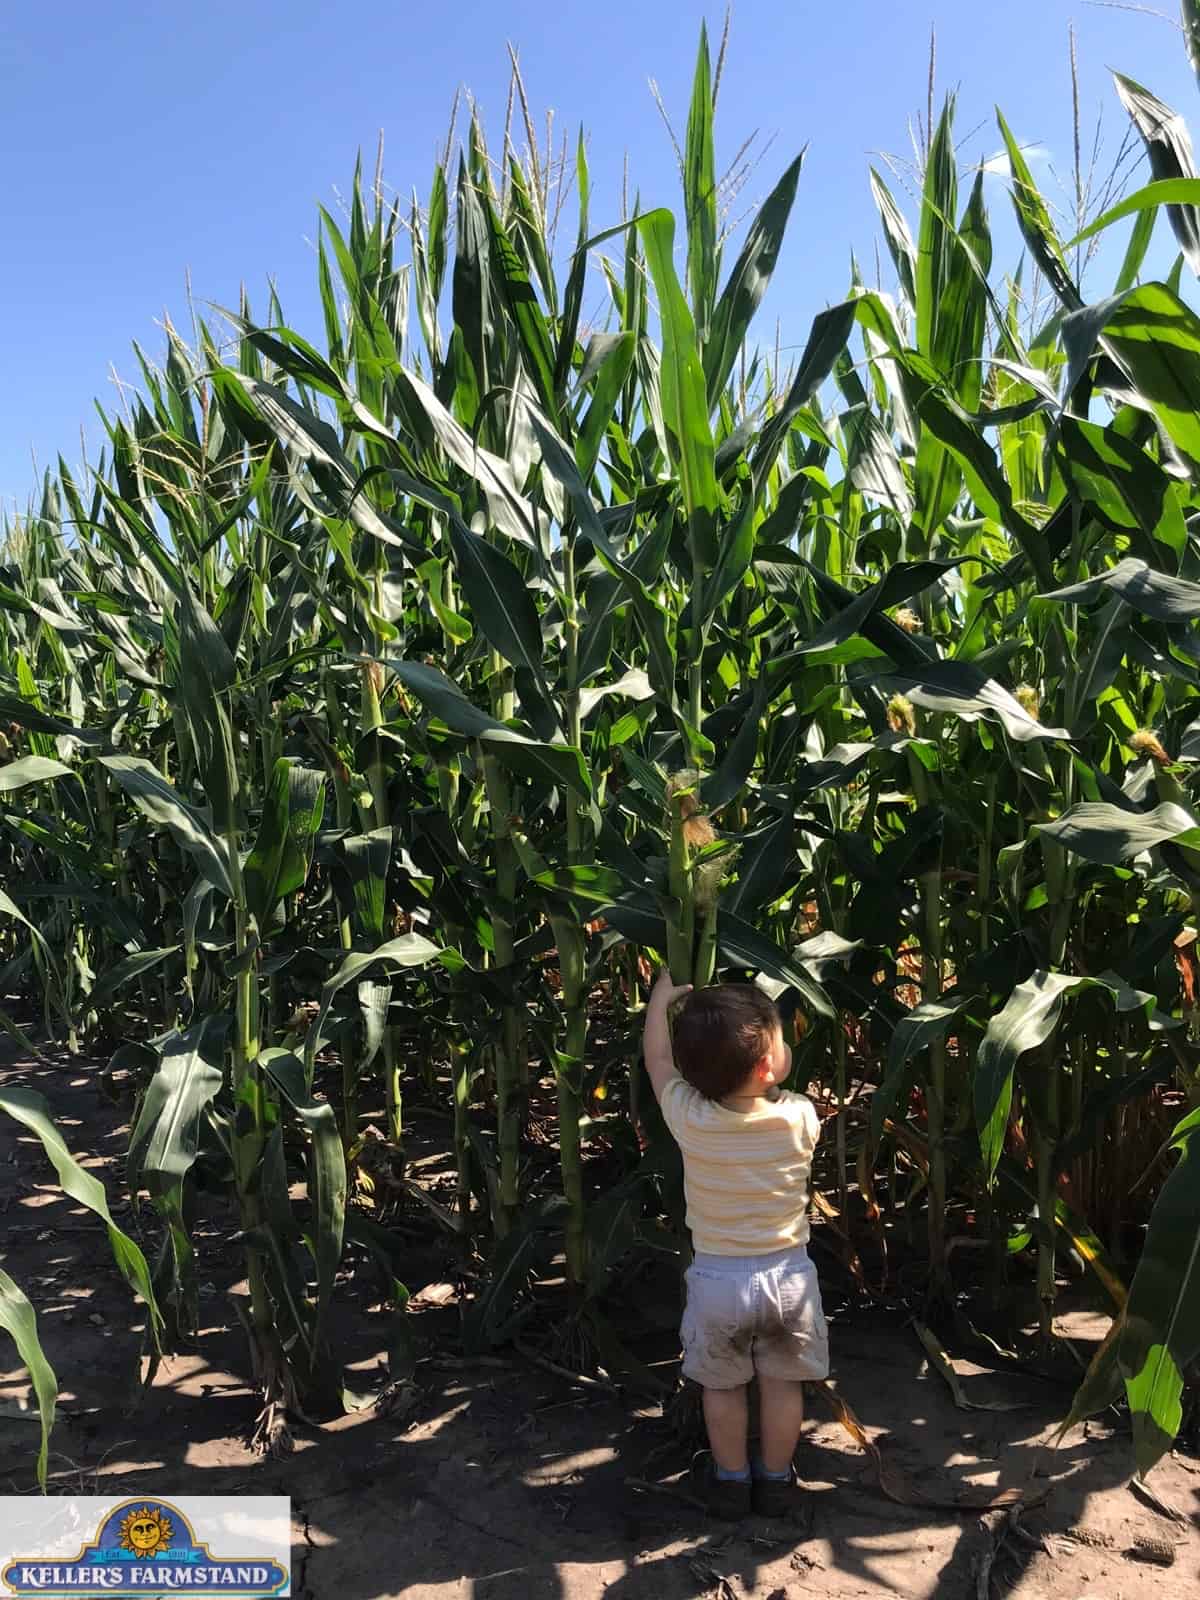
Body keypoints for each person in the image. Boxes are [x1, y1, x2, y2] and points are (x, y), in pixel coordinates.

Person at [642, 970, 828, 1519]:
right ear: (768, 1065)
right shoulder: (799, 1117)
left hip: (718, 1281)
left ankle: (728, 1481)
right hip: (790, 1277)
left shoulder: (691, 1118)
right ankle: (775, 1481)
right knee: (782, 1385)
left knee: (721, 1389)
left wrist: (660, 1002)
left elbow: (658, 1063)